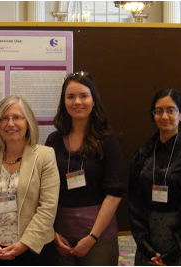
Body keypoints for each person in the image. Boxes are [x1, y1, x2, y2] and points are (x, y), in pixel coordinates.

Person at [44, 71, 125, 265]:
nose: (77, 102)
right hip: (60, 235)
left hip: (98, 235)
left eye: (83, 96)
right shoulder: (53, 141)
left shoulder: (107, 141)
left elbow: (114, 194)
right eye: (71, 97)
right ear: (64, 102)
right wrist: (52, 232)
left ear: (93, 100)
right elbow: (44, 191)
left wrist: (92, 237)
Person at [0, 95, 60, 266]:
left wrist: (24, 244)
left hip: (35, 249)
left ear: (28, 122)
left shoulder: (45, 156)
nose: (10, 123)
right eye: (4, 118)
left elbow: (48, 207)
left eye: (17, 117)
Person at [128, 88, 181, 266]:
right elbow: (135, 204)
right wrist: (145, 246)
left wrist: (171, 254)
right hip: (150, 238)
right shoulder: (143, 154)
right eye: (158, 111)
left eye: (170, 110)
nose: (164, 116)